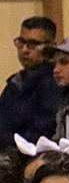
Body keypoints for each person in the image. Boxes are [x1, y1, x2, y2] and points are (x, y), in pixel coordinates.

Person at [0, 17, 61, 146]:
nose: (24, 50)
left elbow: (38, 136)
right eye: (21, 42)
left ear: (52, 47)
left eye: (33, 44)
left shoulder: (54, 83)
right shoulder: (15, 82)